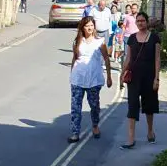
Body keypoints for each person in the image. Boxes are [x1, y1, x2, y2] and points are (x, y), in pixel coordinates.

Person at [68, 15, 112, 143]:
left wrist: (109, 76)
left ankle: (95, 125)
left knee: (94, 105)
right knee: (76, 107)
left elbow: (106, 59)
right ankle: (75, 132)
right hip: (78, 78)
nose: (90, 28)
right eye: (87, 26)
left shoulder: (100, 41)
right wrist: (71, 74)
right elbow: (74, 58)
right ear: (82, 27)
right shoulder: (77, 41)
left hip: (94, 78)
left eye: (92, 25)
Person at [121, 11, 160, 148]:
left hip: (149, 76)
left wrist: (156, 78)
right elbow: (128, 58)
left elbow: (157, 59)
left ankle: (150, 131)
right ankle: (131, 138)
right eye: (138, 21)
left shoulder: (154, 38)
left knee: (149, 105)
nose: (140, 23)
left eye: (142, 21)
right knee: (132, 105)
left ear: (147, 22)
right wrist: (122, 73)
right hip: (134, 76)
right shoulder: (131, 38)